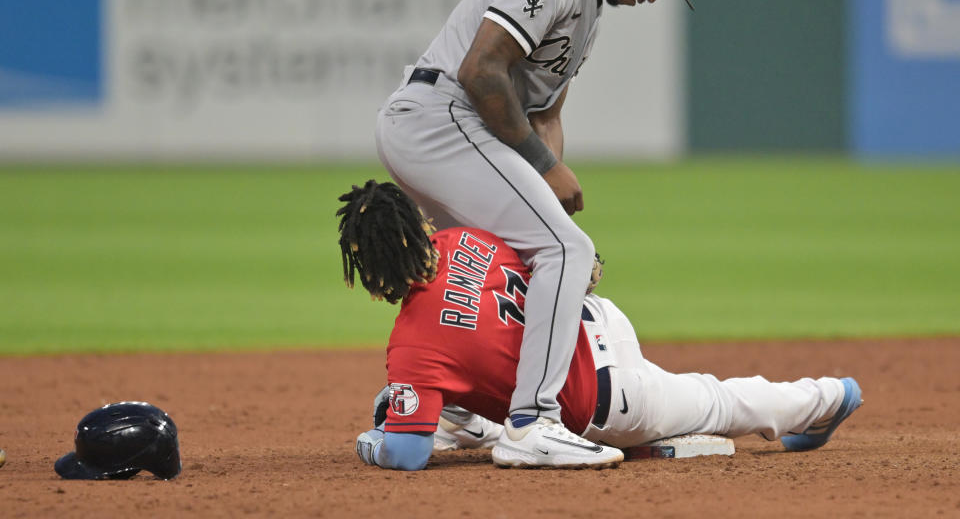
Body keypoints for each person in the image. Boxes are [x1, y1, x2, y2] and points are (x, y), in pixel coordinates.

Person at [375, 0, 707, 466]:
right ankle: (533, 423)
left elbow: (544, 117)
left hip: (452, 130)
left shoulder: (588, 10)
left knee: (510, 256)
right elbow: (480, 71)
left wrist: (547, 200)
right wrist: (546, 177)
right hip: (439, 117)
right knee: (562, 251)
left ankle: (452, 413)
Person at [339, 181, 863, 470]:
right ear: (417, 225)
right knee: (452, 377)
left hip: (609, 400)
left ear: (370, 268)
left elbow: (406, 455)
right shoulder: (467, 239)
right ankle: (470, 425)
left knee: (717, 402)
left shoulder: (411, 346)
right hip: (599, 321)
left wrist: (370, 442)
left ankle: (827, 397)